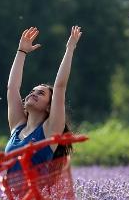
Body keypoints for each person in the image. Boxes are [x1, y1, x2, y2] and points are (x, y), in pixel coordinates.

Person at [5, 25, 82, 172]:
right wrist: (21, 51)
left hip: (37, 194)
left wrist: (70, 49)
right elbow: (12, 88)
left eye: (40, 94)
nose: (33, 93)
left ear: (49, 106)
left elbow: (59, 87)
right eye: (32, 91)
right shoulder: (17, 127)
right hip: (11, 195)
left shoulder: (50, 130)